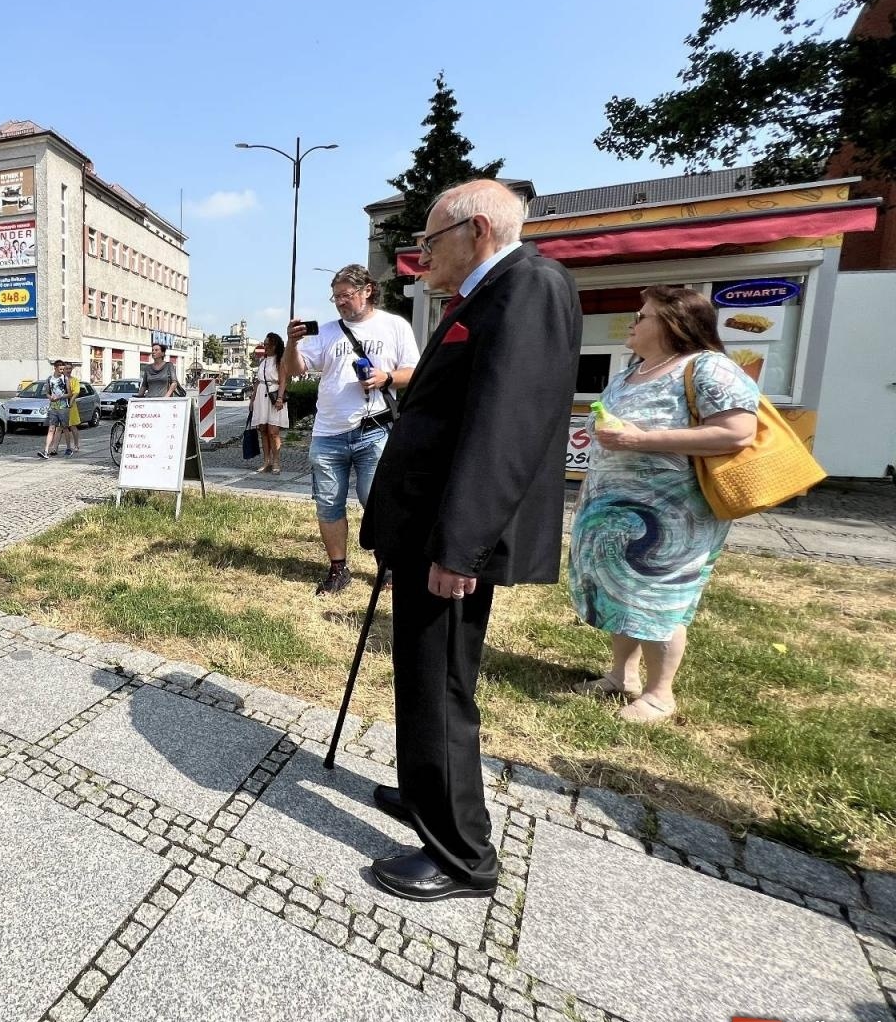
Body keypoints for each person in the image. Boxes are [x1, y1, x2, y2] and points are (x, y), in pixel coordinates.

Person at [360, 179, 582, 903]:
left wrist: (462, 549)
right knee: (424, 677)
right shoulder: (488, 292)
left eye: (429, 241)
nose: (422, 256)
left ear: (477, 229)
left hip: (451, 536)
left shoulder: (528, 287)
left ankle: (462, 854)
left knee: (442, 682)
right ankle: (428, 792)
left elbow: (505, 432)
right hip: (427, 526)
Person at [569, 286, 759, 724]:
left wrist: (641, 440)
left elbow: (737, 432)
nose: (633, 322)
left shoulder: (708, 368)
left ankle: (660, 694)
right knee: (620, 591)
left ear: (673, 323)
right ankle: (622, 675)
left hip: (673, 517)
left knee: (659, 597)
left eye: (642, 315)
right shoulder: (634, 370)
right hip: (613, 507)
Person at [284, 266, 419, 595]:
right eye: (336, 296)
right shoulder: (327, 331)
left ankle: (386, 566)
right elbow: (295, 369)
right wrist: (292, 343)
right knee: (328, 503)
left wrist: (385, 378)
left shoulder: (394, 326)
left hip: (373, 430)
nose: (341, 302)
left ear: (368, 290)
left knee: (376, 501)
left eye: (347, 295)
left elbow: (414, 372)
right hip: (327, 432)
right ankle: (338, 569)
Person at [249, 332, 289, 474]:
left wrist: (279, 398)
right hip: (261, 395)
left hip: (274, 395)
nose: (264, 346)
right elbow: (258, 382)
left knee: (273, 432)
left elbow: (283, 381)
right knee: (263, 430)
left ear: (274, 345)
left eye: (267, 344)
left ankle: (276, 461)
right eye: (264, 344)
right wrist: (252, 399)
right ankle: (267, 462)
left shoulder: (281, 360)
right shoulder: (263, 362)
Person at [40, 359, 81, 458]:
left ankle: (69, 448)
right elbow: (47, 392)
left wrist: (60, 397)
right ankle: (46, 451)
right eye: (61, 369)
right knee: (51, 429)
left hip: (63, 407)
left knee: (65, 428)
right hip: (53, 407)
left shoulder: (65, 379)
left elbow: (70, 393)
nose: (62, 371)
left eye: (64, 369)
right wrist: (50, 398)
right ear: (55, 368)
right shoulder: (49, 379)